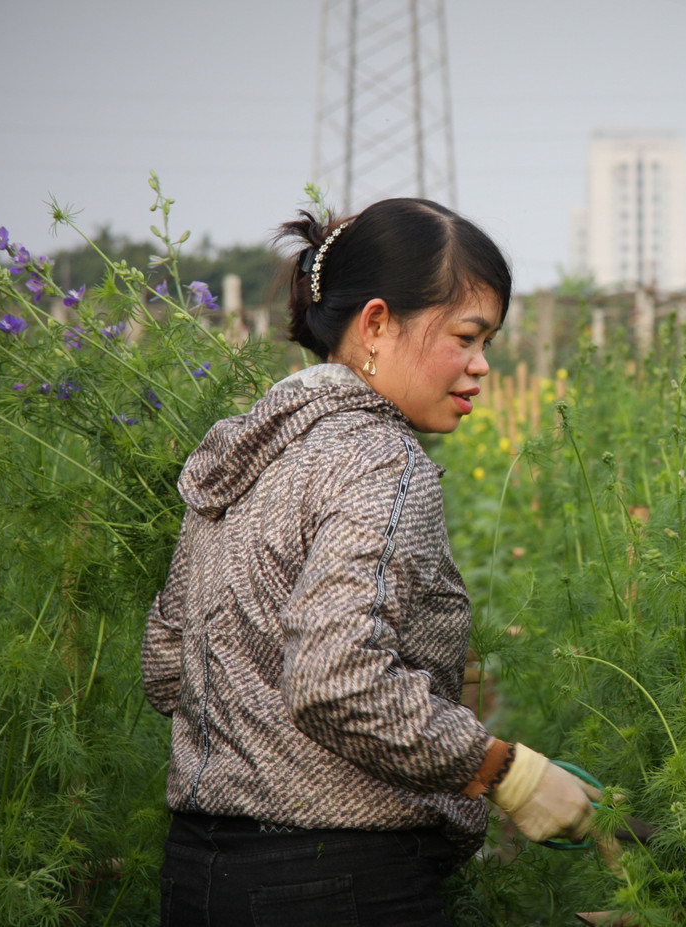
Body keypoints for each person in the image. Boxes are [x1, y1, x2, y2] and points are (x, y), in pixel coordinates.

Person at [142, 198, 595, 926]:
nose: (482, 366)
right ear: (377, 323)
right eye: (466, 337)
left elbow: (167, 665)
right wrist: (503, 771)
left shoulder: (240, 453)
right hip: (342, 882)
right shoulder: (381, 460)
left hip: (199, 878)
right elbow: (336, 678)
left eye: (487, 342)